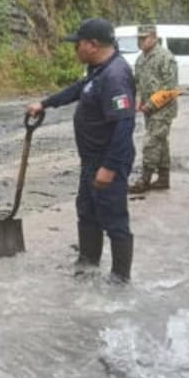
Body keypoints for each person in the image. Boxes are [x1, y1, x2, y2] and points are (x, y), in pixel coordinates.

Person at [26, 18, 136, 283]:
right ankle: (87, 265)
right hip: (91, 160)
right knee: (87, 211)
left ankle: (120, 280)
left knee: (114, 219)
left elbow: (124, 125)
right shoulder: (98, 70)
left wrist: (109, 167)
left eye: (78, 44)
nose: (75, 49)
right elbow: (79, 89)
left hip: (107, 160)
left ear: (93, 45)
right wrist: (46, 103)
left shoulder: (115, 76)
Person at [128, 24, 178, 193]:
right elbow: (138, 83)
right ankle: (164, 178)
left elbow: (170, 88)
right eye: (139, 38)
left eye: (144, 38)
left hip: (163, 109)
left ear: (154, 38)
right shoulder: (140, 60)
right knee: (160, 142)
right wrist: (137, 101)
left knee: (150, 142)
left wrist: (149, 105)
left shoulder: (165, 57)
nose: (141, 41)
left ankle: (145, 179)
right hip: (148, 110)